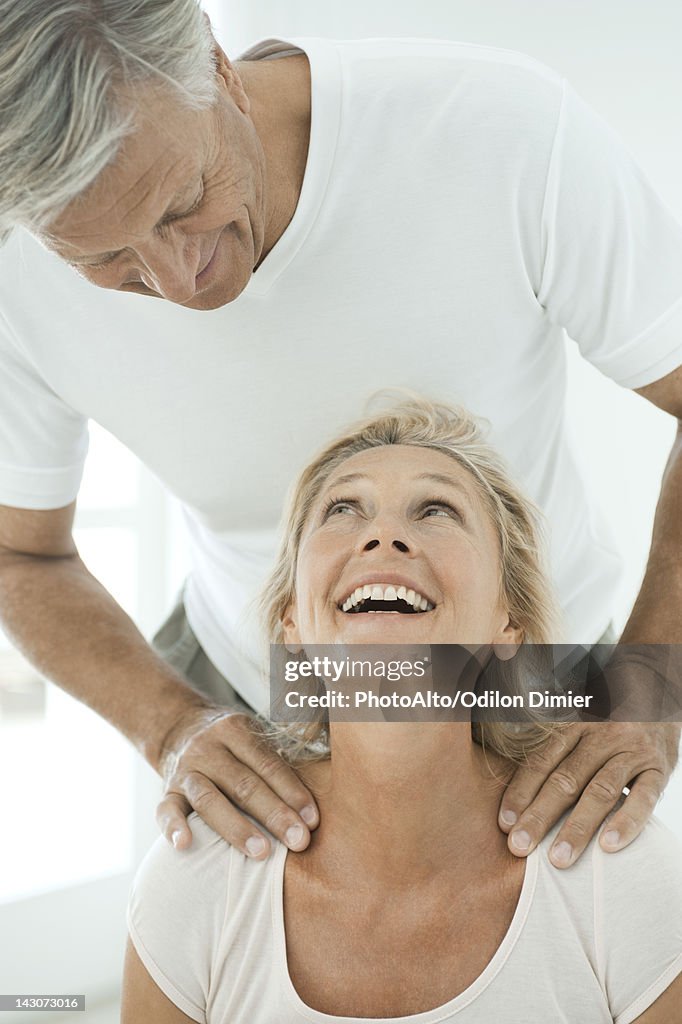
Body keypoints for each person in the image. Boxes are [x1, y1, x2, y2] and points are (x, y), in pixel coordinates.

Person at [0, 0, 680, 868]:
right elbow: (23, 556)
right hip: (254, 709)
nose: (179, 285)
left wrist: (656, 687)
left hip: (530, 691)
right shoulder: (12, 271)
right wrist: (168, 723)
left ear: (217, 70)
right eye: (106, 261)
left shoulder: (497, 131)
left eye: (183, 203)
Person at [122, 398, 682, 1023]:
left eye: (437, 510)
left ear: (509, 622)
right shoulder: (197, 876)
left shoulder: (619, 873)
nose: (382, 535)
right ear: (291, 626)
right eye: (342, 509)